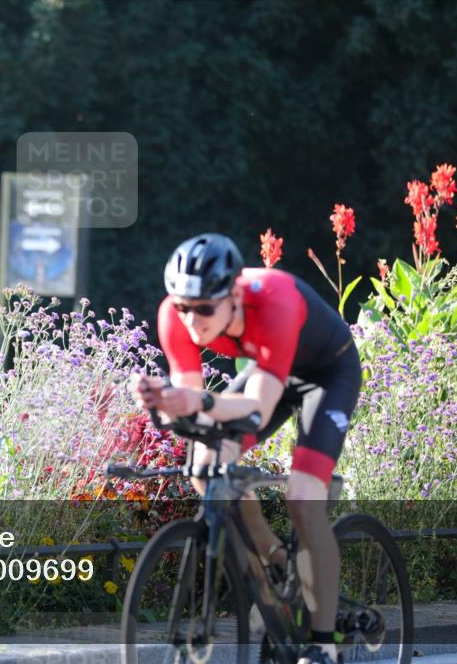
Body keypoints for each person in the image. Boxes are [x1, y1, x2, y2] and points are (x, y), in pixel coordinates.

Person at [130, 233, 362, 664]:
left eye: (205, 309)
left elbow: (256, 409)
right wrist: (162, 402)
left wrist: (197, 402)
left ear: (234, 295)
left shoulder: (273, 301)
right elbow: (194, 409)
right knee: (204, 468)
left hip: (328, 375)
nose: (192, 320)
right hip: (270, 371)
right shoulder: (172, 317)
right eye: (183, 307)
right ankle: (275, 559)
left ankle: (324, 645)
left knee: (303, 501)